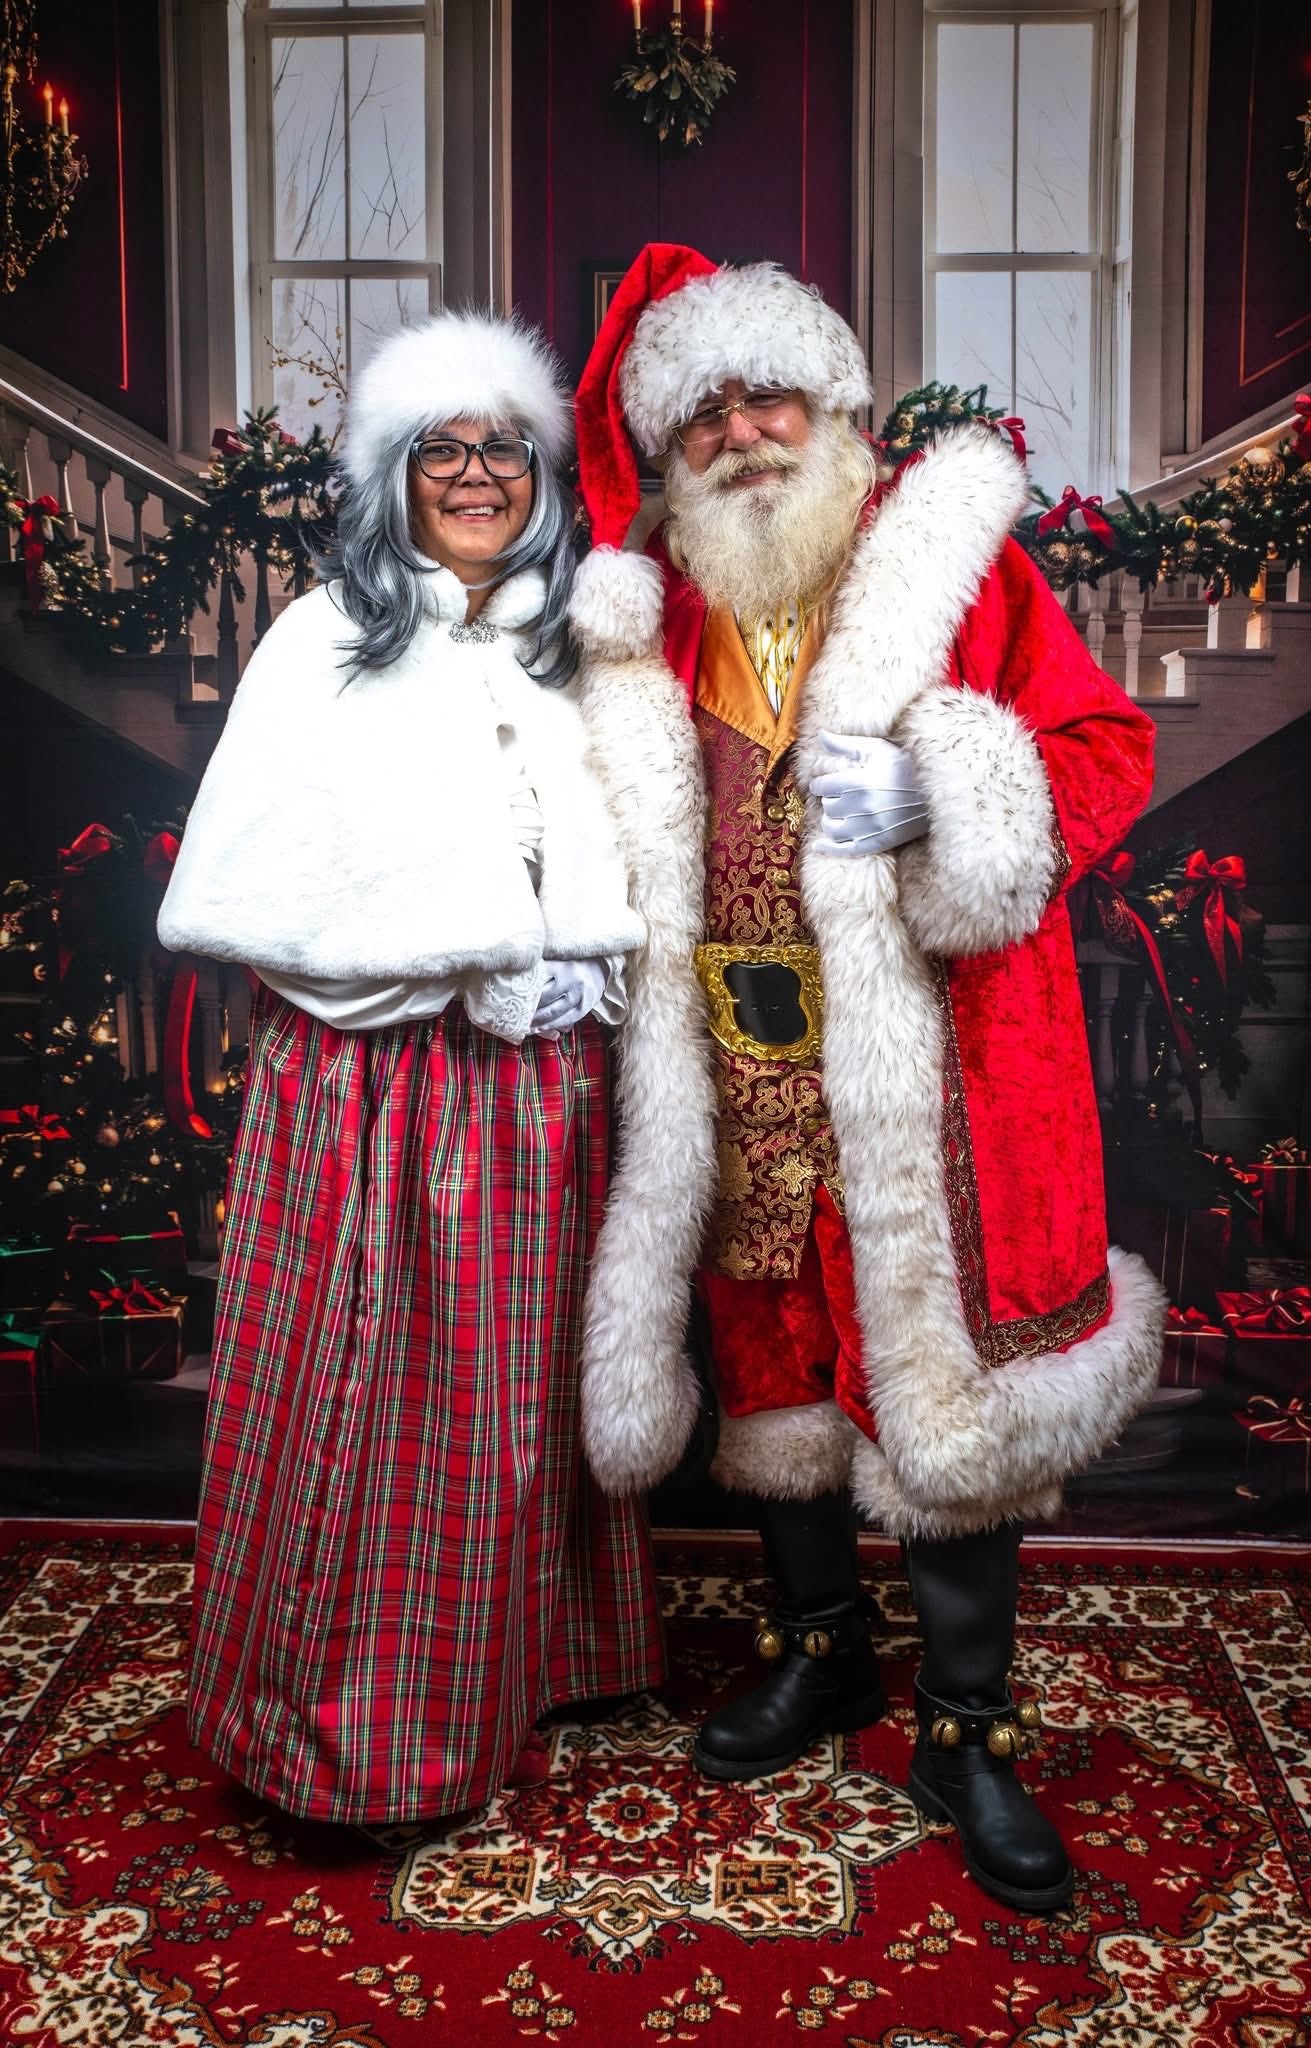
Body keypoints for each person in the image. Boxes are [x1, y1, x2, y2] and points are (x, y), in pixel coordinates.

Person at [565, 244, 1165, 1914]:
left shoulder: (951, 569)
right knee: (776, 1371)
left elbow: (1107, 749)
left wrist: (947, 793)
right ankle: (820, 1649)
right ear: (670, 452)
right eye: (704, 417)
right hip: (732, 1069)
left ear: (834, 411)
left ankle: (970, 1729)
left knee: (944, 1380)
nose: (743, 437)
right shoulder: (648, 611)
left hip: (935, 1073)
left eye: (770, 399)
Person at [157, 309, 665, 1825]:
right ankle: (349, 1730)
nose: (476, 474)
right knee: (370, 1398)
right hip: (372, 1091)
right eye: (441, 449)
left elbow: (636, 843)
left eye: (503, 447)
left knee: (517, 1408)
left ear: (543, 475)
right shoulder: (319, 641)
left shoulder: (583, 648)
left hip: (542, 1083)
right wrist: (453, 960)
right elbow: (252, 889)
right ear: (393, 475)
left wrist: (579, 957)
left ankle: (523, 1669)